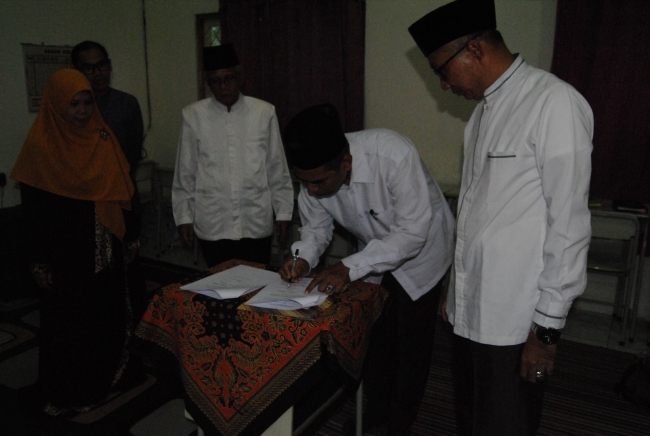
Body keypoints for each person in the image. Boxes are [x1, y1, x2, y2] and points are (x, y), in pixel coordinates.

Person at [408, 1, 593, 435]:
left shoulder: (554, 102)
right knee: (472, 420)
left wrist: (546, 332)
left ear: (474, 50)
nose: (444, 85)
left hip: (515, 318)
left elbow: (569, 226)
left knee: (506, 424)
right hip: (471, 311)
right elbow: (476, 213)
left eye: (442, 71)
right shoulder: (480, 116)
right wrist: (455, 291)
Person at [279, 103, 455, 436]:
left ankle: (400, 423)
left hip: (422, 254)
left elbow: (411, 233)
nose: (311, 190)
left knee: (411, 345)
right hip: (371, 257)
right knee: (375, 338)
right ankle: (375, 412)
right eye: (304, 182)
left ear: (345, 163)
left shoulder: (392, 155)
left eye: (318, 182)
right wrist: (302, 257)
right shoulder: (314, 177)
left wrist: (348, 267)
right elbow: (316, 229)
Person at [11, 69, 139, 418]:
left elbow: (125, 189)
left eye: (87, 103)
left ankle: (107, 377)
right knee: (70, 323)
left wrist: (131, 235)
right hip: (65, 254)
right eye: (74, 104)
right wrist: (39, 260)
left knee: (106, 316)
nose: (82, 111)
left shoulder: (102, 138)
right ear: (55, 104)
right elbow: (33, 214)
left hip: (106, 248)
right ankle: (71, 389)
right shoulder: (41, 147)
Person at [172, 43, 294, 267]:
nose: (223, 87)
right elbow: (185, 173)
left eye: (228, 79)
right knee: (218, 283)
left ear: (240, 78)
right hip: (213, 223)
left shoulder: (264, 112)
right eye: (216, 81)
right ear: (208, 83)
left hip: (255, 221)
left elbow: (277, 168)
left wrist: (283, 213)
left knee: (256, 281)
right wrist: (184, 217)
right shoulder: (193, 115)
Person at [71, 40, 147, 318]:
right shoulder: (71, 107)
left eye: (102, 65)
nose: (98, 72)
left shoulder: (126, 104)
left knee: (127, 273)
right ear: (77, 71)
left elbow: (132, 155)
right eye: (89, 68)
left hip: (120, 198)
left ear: (110, 65)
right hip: (83, 208)